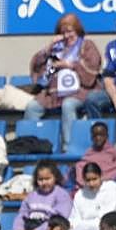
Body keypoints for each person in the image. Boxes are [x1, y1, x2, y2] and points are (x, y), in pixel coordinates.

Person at [21, 13, 103, 149]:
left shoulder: (86, 45)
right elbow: (37, 66)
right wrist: (49, 47)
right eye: (63, 32)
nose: (66, 36)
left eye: (70, 31)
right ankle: (28, 145)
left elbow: (93, 67)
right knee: (32, 107)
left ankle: (69, 146)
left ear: (77, 30)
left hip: (80, 91)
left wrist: (70, 65)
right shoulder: (57, 48)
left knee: (68, 105)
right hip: (55, 92)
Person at [13, 161, 71, 230]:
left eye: (47, 179)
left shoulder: (62, 195)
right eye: (40, 179)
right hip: (28, 226)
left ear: (55, 177)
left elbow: (59, 220)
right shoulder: (31, 196)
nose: (44, 182)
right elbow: (21, 215)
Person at [68, 162, 116, 230]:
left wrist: (82, 226)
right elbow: (74, 218)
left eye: (94, 179)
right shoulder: (80, 195)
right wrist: (78, 225)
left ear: (101, 176)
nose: (91, 183)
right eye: (88, 180)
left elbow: (106, 219)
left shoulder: (111, 189)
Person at [71, 121, 116, 188]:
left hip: (107, 185)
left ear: (107, 136)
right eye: (95, 135)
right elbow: (82, 165)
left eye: (101, 135)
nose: (98, 138)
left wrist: (104, 178)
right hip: (89, 184)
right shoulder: (89, 152)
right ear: (91, 137)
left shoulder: (113, 151)